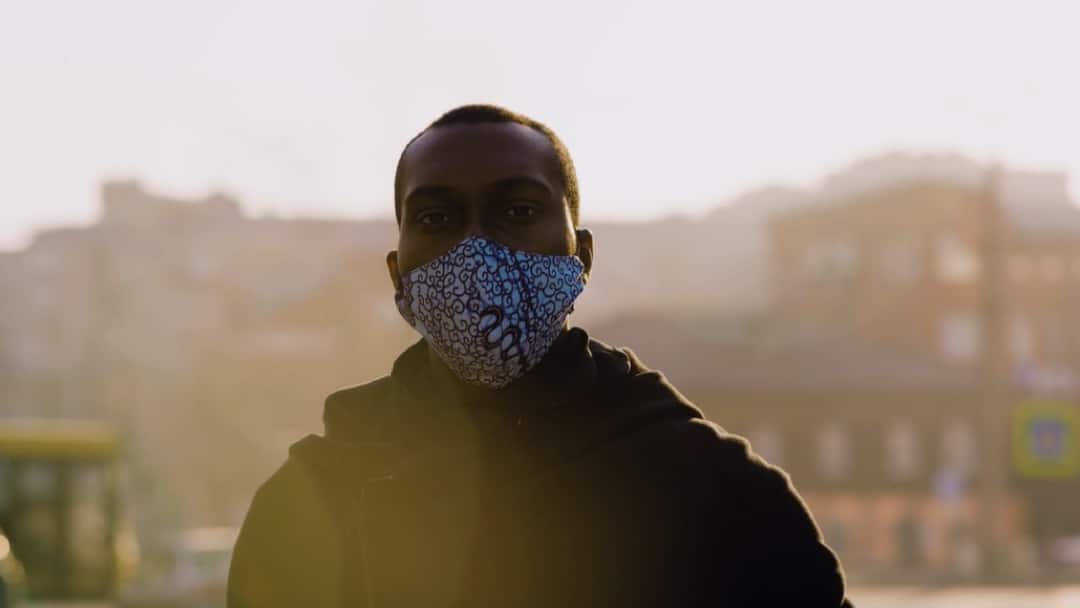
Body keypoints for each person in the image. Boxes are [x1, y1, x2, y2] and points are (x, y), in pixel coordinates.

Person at [227, 104, 853, 607]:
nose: (476, 250)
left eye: (518, 211)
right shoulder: (311, 502)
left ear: (580, 255)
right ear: (398, 272)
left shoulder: (715, 494)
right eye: (437, 216)